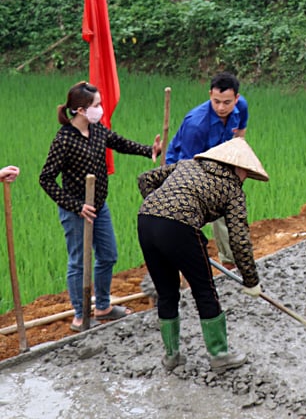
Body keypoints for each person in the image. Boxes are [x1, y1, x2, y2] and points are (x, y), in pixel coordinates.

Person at [39, 81, 162, 333]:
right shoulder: (64, 140)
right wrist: (76, 206)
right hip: (76, 211)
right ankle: (79, 315)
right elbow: (46, 179)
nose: (101, 109)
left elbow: (119, 142)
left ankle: (103, 307)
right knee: (78, 262)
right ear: (82, 110)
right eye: (96, 105)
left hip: (99, 206)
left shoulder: (97, 130)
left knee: (108, 254)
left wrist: (149, 150)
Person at [137, 138, 268, 373]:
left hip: (146, 221)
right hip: (180, 227)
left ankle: (171, 356)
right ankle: (220, 355)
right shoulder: (233, 190)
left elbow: (145, 178)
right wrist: (251, 281)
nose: (245, 178)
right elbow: (239, 240)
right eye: (245, 173)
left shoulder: (186, 165)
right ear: (237, 168)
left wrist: (160, 207)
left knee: (167, 293)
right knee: (205, 290)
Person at [166, 72, 248, 268]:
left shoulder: (241, 106)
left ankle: (230, 262)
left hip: (218, 162)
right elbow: (188, 168)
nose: (221, 107)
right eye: (216, 101)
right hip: (185, 167)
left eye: (227, 102)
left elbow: (240, 138)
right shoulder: (197, 124)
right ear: (210, 94)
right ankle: (175, 265)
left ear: (236, 98)